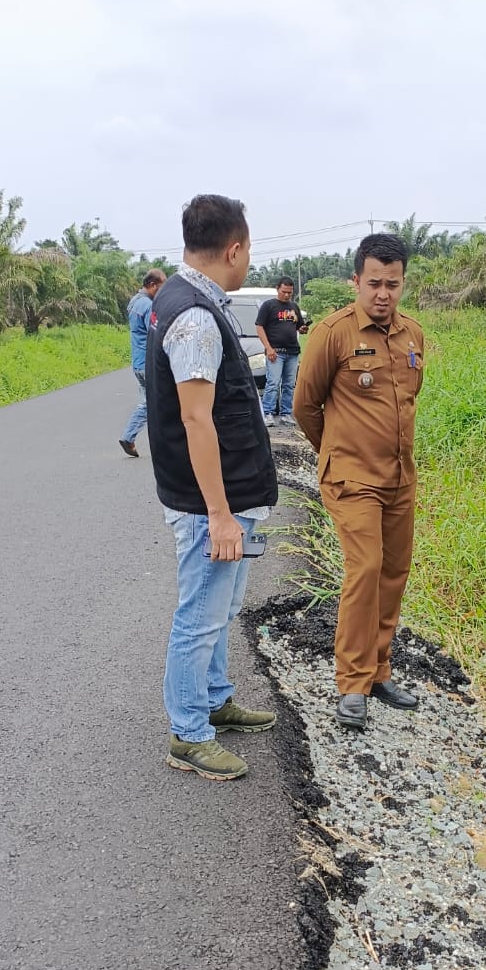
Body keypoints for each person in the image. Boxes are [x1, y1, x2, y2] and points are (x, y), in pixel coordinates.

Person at [145, 194, 278, 781]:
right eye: (248, 248)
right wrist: (220, 513)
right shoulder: (196, 316)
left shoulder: (190, 300)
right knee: (200, 614)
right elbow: (196, 418)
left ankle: (216, 699)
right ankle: (188, 732)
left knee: (219, 611)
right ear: (235, 248)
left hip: (224, 498)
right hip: (209, 506)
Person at [293, 233, 424, 732]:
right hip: (351, 477)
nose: (383, 294)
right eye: (374, 283)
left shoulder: (412, 335)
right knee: (365, 568)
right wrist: (336, 452)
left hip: (399, 478)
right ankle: (351, 683)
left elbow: (408, 402)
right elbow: (306, 405)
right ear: (356, 281)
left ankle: (379, 671)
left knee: (394, 572)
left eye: (393, 284)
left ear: (403, 283)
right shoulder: (333, 333)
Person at [119, 269, 167, 456]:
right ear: (153, 285)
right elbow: (155, 333)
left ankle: (158, 441)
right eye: (161, 287)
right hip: (148, 362)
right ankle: (129, 436)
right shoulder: (147, 306)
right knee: (153, 402)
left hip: (138, 362)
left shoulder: (134, 302)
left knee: (152, 401)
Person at [256, 276, 308, 427]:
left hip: (292, 351)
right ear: (277, 289)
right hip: (275, 352)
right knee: (273, 382)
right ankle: (268, 413)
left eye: (289, 293)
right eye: (284, 291)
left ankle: (286, 413)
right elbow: (259, 327)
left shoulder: (293, 307)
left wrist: (303, 328)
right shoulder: (269, 306)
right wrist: (268, 348)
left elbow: (299, 326)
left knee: (289, 384)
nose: (286, 295)